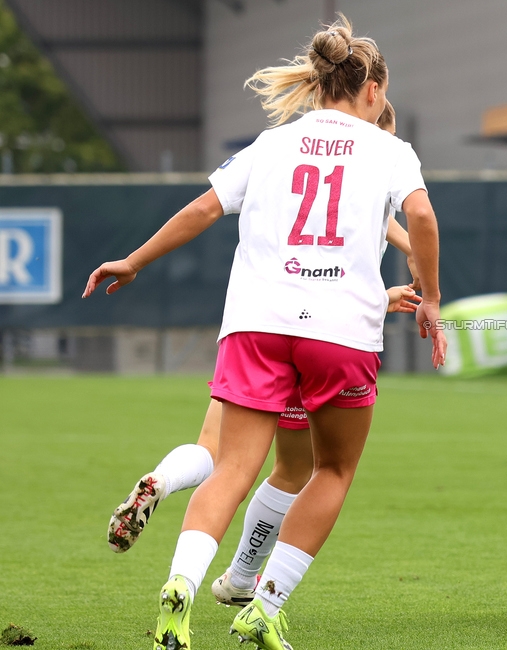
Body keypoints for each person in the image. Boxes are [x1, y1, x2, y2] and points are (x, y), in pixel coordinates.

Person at [84, 16, 445, 650]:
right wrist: (432, 299)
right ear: (371, 88)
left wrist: (134, 260)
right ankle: (264, 605)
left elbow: (202, 209)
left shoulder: (272, 144)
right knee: (330, 471)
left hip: (256, 326)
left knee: (231, 469)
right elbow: (420, 215)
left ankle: (181, 589)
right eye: (384, 92)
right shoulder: (390, 150)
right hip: (339, 334)